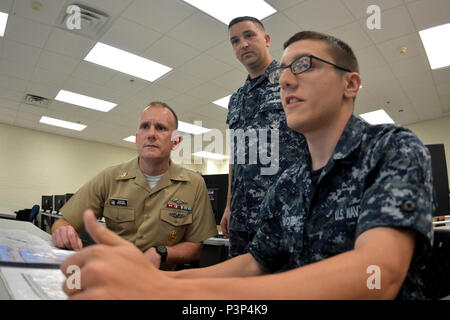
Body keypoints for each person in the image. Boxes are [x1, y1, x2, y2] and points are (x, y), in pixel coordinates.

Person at [61, 31, 435, 299]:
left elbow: (378, 276)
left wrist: (169, 292)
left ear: (350, 84)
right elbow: (254, 263)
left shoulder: (392, 149)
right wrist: (154, 281)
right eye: (285, 71)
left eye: (303, 66)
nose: (286, 79)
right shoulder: (289, 182)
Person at [52, 101, 218, 269]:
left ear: (176, 141)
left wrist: (161, 253)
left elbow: (195, 247)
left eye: (160, 128)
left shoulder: (194, 184)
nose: (151, 134)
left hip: (160, 282)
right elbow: (64, 222)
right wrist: (63, 232)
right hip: (113, 276)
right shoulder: (110, 178)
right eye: (145, 126)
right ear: (137, 138)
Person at [221, 16, 305, 257]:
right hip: (241, 215)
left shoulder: (291, 80)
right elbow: (234, 156)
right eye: (235, 41)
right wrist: (228, 204)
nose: (243, 44)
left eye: (249, 35)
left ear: (266, 39)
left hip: (282, 210)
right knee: (240, 287)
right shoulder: (236, 98)